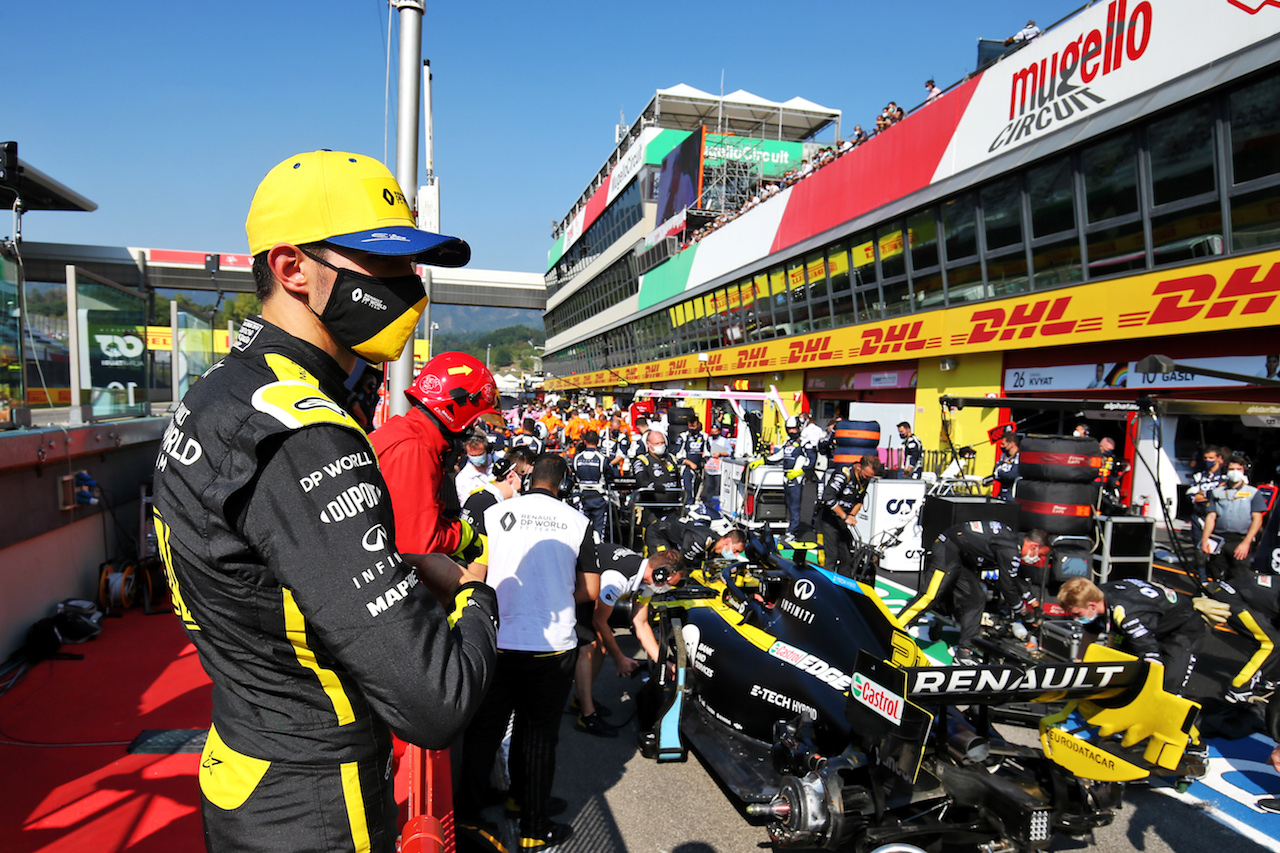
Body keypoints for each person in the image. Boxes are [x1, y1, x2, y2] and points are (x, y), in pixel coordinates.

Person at [151, 149, 497, 853]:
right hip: (316, 800)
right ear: (291, 268)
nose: (412, 287)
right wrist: (476, 597)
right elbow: (436, 700)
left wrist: (395, 561)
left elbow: (273, 567)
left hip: (244, 763)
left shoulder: (220, 387)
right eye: (387, 264)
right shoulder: (306, 428)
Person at [458, 454, 598, 849]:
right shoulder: (578, 521)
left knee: (484, 729)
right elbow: (589, 587)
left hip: (499, 638)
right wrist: (553, 595)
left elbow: (476, 573)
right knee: (538, 735)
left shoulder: (497, 513)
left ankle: (467, 814)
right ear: (562, 482)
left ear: (530, 478)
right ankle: (532, 823)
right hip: (552, 645)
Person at [898, 522, 1049, 664]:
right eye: (1041, 554)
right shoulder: (1009, 549)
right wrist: (1021, 610)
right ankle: (895, 627)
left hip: (962, 558)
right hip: (947, 550)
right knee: (929, 596)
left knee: (976, 599)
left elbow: (1015, 577)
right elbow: (1007, 585)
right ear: (1034, 546)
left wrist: (1033, 602)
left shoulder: (1012, 540)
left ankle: (964, 650)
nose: (1038, 558)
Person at [1058, 577, 1205, 696]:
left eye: (1077, 614)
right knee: (1121, 669)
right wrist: (1078, 665)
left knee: (1168, 685)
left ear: (1092, 606)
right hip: (1151, 619)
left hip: (1183, 627)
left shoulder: (1127, 615)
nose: (1075, 619)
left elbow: (1152, 658)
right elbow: (1090, 634)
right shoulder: (1098, 595)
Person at [593, 546, 686, 674]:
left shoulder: (647, 581)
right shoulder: (618, 580)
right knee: (591, 646)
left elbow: (641, 623)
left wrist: (663, 663)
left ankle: (584, 693)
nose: (668, 588)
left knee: (599, 646)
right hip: (573, 583)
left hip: (593, 583)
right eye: (669, 584)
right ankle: (581, 694)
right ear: (659, 575)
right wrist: (619, 658)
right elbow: (599, 621)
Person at [750, 417, 816, 545]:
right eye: (789, 429)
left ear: (799, 428)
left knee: (795, 506)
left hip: (796, 478)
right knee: (788, 506)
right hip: (786, 477)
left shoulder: (805, 443)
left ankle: (792, 533)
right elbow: (778, 457)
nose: (792, 431)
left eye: (794, 428)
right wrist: (762, 460)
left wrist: (799, 471)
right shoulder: (787, 443)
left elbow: (811, 460)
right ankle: (789, 529)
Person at [1202, 455, 1269, 581]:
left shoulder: (1253, 493)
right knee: (1216, 573)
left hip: (1240, 539)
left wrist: (1246, 543)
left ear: (1244, 471)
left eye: (1239, 469)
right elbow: (1211, 517)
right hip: (1219, 539)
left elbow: (1257, 519)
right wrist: (1205, 539)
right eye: (1232, 469)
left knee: (1240, 576)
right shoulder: (1217, 492)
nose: (1235, 472)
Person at [817, 455, 883, 578]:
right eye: (866, 475)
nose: (867, 478)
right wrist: (844, 516)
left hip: (843, 521)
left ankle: (844, 587)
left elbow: (860, 500)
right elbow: (827, 497)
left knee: (847, 557)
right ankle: (826, 585)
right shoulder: (843, 474)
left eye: (870, 477)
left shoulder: (865, 479)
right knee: (830, 556)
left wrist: (852, 515)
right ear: (859, 467)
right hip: (828, 519)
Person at [632, 429, 685, 536]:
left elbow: (678, 481)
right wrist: (653, 486)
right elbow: (641, 480)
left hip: (672, 510)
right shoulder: (642, 460)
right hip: (652, 510)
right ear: (648, 444)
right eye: (657, 443)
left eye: (662, 443)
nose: (660, 446)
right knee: (652, 543)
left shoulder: (671, 458)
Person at [644, 517, 747, 566]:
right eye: (735, 550)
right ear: (727, 541)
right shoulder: (701, 540)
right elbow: (681, 561)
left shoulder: (714, 541)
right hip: (658, 533)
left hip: (674, 538)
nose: (735, 555)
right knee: (666, 563)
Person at [572, 429, 612, 540]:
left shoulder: (576, 459)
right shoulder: (603, 459)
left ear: (584, 441)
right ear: (598, 441)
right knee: (599, 532)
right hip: (599, 498)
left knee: (583, 531)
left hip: (582, 498)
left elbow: (574, 478)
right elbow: (610, 478)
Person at [1187, 445, 1230, 544]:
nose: (1208, 461)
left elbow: (1224, 497)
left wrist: (1202, 494)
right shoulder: (1198, 476)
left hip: (1217, 519)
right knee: (1199, 550)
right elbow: (1191, 497)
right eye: (1205, 458)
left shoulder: (1225, 477)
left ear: (1219, 458)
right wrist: (1212, 494)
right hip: (1198, 517)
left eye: (1211, 458)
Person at [673, 418, 708, 507]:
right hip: (687, 468)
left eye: (694, 426)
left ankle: (694, 507)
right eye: (690, 426)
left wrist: (705, 461)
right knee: (688, 489)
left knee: (697, 489)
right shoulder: (683, 437)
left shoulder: (704, 436)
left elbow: (707, 452)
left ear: (698, 424)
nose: (692, 428)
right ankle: (687, 507)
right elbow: (677, 454)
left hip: (700, 468)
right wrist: (689, 463)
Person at [455, 433, 492, 506]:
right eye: (473, 455)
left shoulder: (500, 460)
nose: (477, 458)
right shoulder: (462, 478)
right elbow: (466, 505)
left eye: (480, 454)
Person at [993, 433, 1020, 497]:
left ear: (1012, 444)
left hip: (1013, 495)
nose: (1001, 446)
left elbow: (1012, 475)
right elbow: (994, 472)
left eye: (1003, 444)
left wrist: (1000, 472)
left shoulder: (1020, 456)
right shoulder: (1003, 456)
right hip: (1002, 493)